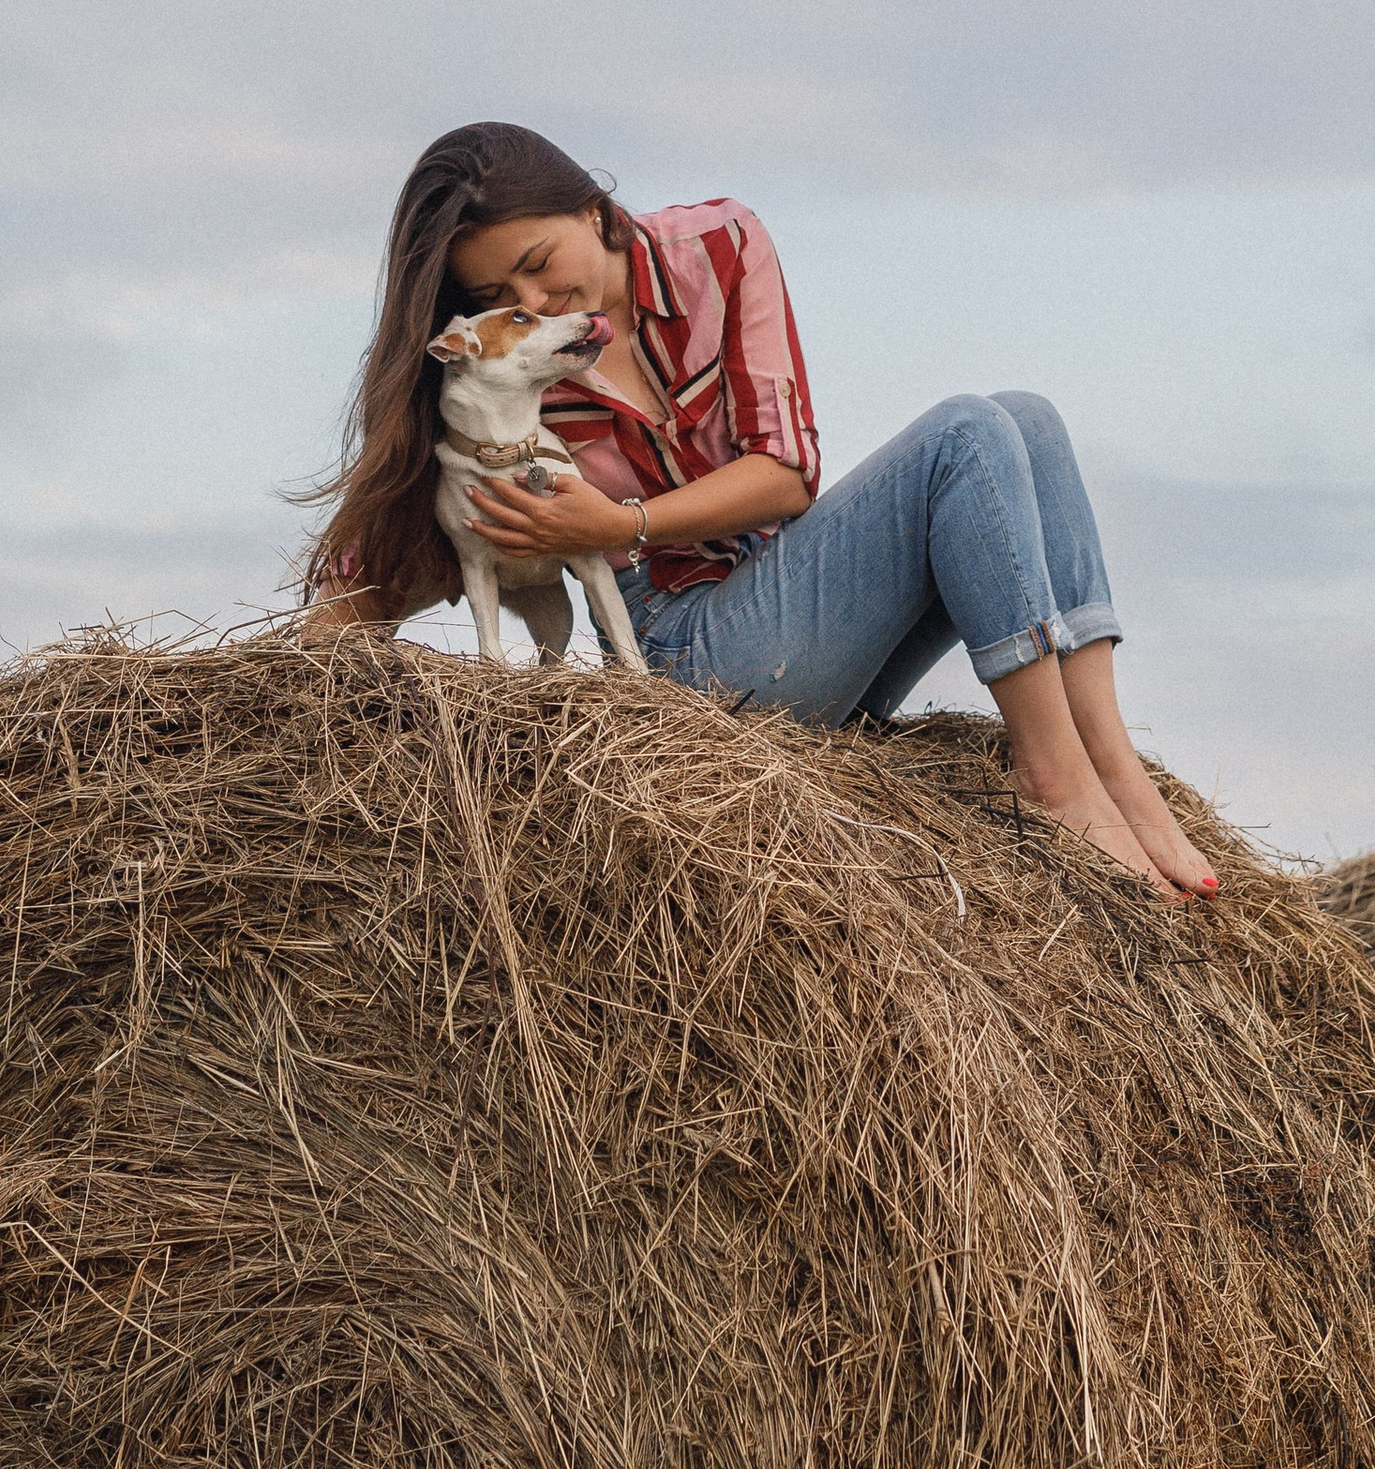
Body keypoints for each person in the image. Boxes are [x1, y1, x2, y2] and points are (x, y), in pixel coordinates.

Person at [302, 121, 1215, 898]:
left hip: (801, 615)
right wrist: (278, 712)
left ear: (592, 208)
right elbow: (400, 541)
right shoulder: (507, 371)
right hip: (696, 664)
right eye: (500, 299)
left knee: (1026, 423)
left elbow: (786, 473)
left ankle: (1114, 773)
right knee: (969, 434)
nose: (536, 305)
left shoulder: (721, 246)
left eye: (539, 266)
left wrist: (621, 526)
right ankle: (1053, 781)